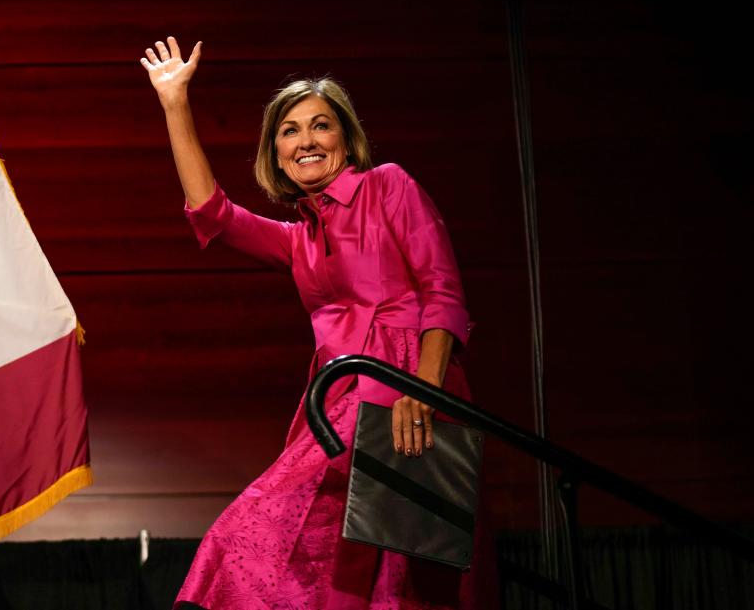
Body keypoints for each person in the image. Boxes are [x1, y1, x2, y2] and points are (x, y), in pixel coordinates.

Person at [141, 37, 494, 609]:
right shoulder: (297, 238)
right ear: (276, 153)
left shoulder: (390, 185)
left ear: (344, 137)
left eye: (320, 125)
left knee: (406, 578)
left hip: (412, 389)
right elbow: (213, 213)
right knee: (284, 549)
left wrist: (421, 393)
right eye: (289, 130)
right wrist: (175, 102)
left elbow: (443, 293)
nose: (305, 140)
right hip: (337, 403)